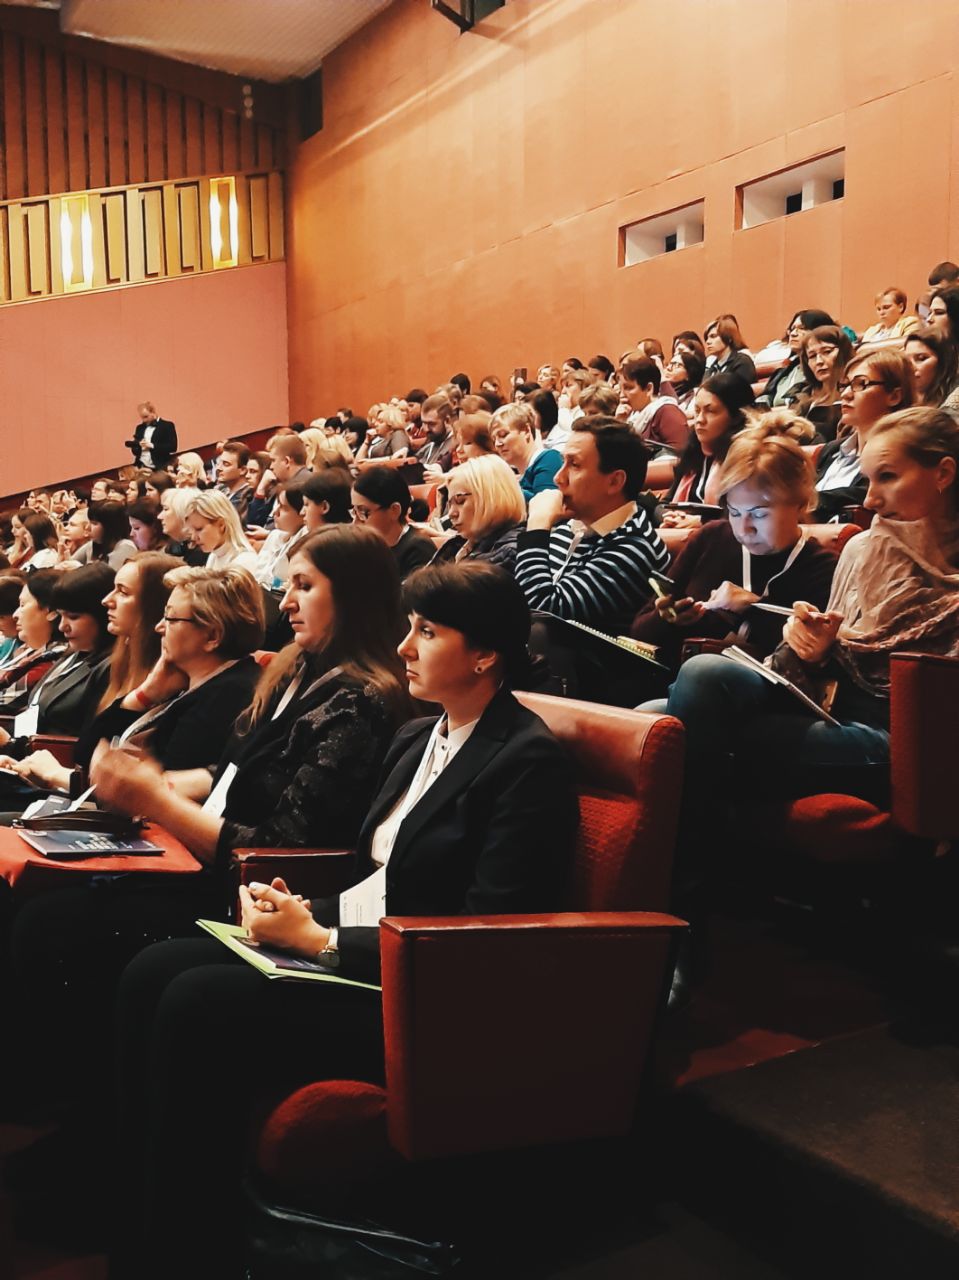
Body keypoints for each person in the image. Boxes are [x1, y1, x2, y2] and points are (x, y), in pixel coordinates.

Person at [106, 559, 576, 1280]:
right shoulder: (418, 737)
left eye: (427, 633)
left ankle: (186, 1252)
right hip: (361, 947)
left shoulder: (526, 759)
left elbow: (485, 930)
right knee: (153, 968)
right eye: (409, 628)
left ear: (485, 654)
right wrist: (298, 908)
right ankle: (134, 1227)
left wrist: (323, 942)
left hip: (421, 993)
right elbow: (377, 878)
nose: (405, 647)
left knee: (195, 999)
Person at [631, 422, 837, 671]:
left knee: (702, 672)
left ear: (800, 504)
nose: (744, 528)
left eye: (759, 515)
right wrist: (667, 618)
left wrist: (751, 607)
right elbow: (638, 633)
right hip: (669, 678)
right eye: (735, 512)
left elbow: (807, 657)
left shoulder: (821, 567)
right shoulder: (712, 538)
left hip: (754, 689)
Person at [514, 415, 668, 633]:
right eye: (563, 462)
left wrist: (537, 527)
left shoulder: (633, 548)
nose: (558, 478)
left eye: (574, 465)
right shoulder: (572, 527)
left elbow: (540, 615)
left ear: (614, 481)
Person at [0, 563, 114, 763]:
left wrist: (10, 744)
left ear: (100, 614)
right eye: (61, 615)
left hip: (50, 767)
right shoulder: (71, 654)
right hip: (24, 757)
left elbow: (83, 748)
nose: (62, 626)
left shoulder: (108, 666)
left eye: (73, 617)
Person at [812, 350, 913, 521]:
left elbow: (868, 495)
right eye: (845, 385)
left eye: (861, 384)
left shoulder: (903, 453)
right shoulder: (831, 450)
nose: (845, 394)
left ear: (894, 396)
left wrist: (802, 503)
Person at [661, 372, 756, 527]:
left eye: (710, 411)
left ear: (736, 416)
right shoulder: (694, 451)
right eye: (697, 410)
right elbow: (665, 503)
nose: (700, 420)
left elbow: (748, 513)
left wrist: (702, 521)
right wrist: (671, 516)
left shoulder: (748, 457)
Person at [431, 454, 526, 573]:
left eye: (460, 501)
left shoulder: (508, 556)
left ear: (491, 498)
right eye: (450, 504)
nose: (451, 513)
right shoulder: (459, 545)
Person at [351, 466, 435, 579]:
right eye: (354, 511)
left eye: (363, 512)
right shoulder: (367, 547)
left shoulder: (419, 550)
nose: (355, 522)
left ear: (394, 510)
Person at [0, 571, 67, 711]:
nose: (15, 615)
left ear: (51, 611)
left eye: (22, 605)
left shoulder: (53, 659)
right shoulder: (36, 653)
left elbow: (4, 703)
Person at [755, 310, 835, 408]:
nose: (793, 334)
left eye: (802, 328)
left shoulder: (825, 372)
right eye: (792, 329)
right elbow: (765, 398)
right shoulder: (785, 372)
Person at [490, 401, 563, 500]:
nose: (497, 444)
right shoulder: (517, 479)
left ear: (526, 431)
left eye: (503, 435)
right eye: (494, 439)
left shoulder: (549, 459)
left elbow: (545, 505)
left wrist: (505, 486)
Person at [794, 325, 856, 439]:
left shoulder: (855, 394)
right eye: (812, 356)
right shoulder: (804, 396)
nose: (819, 361)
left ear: (844, 352)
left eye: (827, 352)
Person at [620, 354, 690, 452]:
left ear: (649, 389)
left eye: (628, 388)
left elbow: (680, 455)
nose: (622, 395)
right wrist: (619, 423)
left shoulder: (668, 412)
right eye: (621, 389)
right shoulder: (631, 416)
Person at [251, 483, 309, 589]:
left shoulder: (306, 545)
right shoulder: (274, 536)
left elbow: (279, 584)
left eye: (284, 508)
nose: (275, 512)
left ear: (302, 513)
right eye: (277, 505)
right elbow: (258, 576)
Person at [185, 490, 258, 573]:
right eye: (192, 531)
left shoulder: (245, 561)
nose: (194, 537)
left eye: (199, 529)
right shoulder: (213, 556)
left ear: (221, 525)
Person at [903, 327, 959, 414]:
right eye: (906, 360)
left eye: (921, 358)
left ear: (943, 361)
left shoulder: (955, 398)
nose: (910, 367)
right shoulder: (900, 397)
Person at [71, 500, 138, 570]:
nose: (87, 527)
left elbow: (109, 575)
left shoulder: (126, 546)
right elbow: (69, 563)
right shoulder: (92, 544)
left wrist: (78, 567)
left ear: (110, 527)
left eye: (94, 523)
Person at [704, 316, 757, 386]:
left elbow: (738, 390)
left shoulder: (742, 362)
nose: (708, 342)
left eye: (713, 336)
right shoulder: (712, 368)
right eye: (707, 338)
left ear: (729, 338)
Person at [126, 401, 177, 472]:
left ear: (153, 413)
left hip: (160, 467)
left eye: (146, 417)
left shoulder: (167, 425)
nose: (144, 420)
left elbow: (173, 447)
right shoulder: (139, 428)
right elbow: (135, 451)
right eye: (142, 417)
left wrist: (152, 446)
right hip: (141, 466)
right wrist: (138, 445)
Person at [415, 394, 457, 473]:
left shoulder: (455, 447)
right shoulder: (431, 442)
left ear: (447, 421)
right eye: (424, 423)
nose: (426, 429)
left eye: (431, 424)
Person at [214, 440, 253, 524]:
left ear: (243, 470)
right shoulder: (220, 491)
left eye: (226, 464)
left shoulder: (248, 497)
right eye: (219, 463)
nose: (218, 468)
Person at [663, 346, 706, 420]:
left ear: (689, 374)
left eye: (677, 365)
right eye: (669, 364)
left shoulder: (696, 395)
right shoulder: (660, 391)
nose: (669, 368)